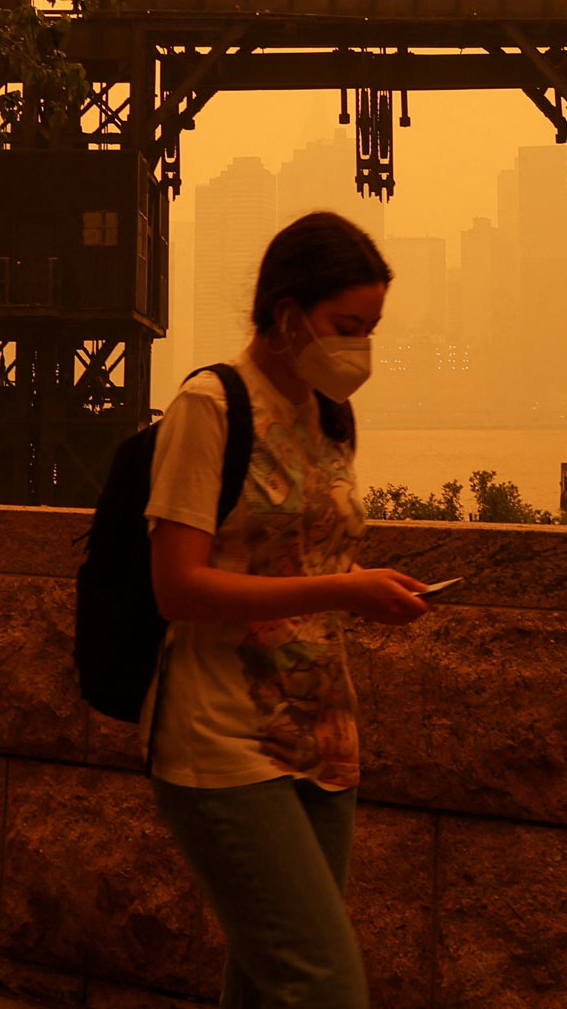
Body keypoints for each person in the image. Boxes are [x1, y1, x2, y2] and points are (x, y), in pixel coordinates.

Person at [143, 211, 431, 1009]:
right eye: (348, 325)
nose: (361, 348)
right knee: (324, 988)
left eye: (371, 329)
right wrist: (342, 589)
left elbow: (308, 561)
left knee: (269, 987)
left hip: (324, 737)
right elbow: (178, 585)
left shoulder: (331, 416)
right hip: (223, 739)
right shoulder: (209, 407)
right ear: (287, 312)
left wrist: (362, 581)